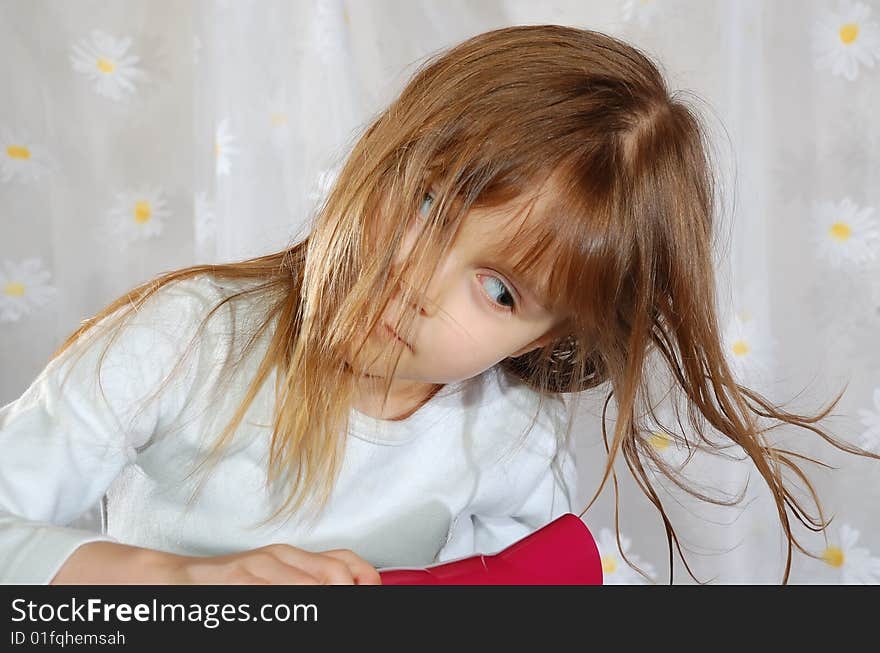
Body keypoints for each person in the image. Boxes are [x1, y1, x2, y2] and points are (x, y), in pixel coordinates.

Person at [1, 25, 875, 586]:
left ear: (553, 338)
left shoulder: (510, 433)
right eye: (428, 200)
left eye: (499, 291)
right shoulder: (185, 340)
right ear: (389, 145)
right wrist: (175, 580)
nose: (413, 278)